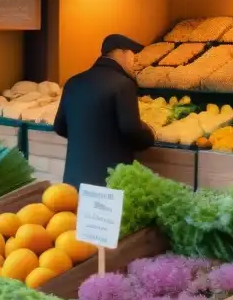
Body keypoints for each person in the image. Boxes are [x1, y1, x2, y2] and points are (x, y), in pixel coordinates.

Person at [53, 34, 156, 189]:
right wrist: (150, 135)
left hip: (74, 181)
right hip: (110, 182)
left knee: (74, 213)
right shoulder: (123, 85)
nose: (134, 62)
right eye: (132, 56)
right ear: (120, 53)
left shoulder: (73, 82)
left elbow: (59, 126)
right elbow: (131, 129)